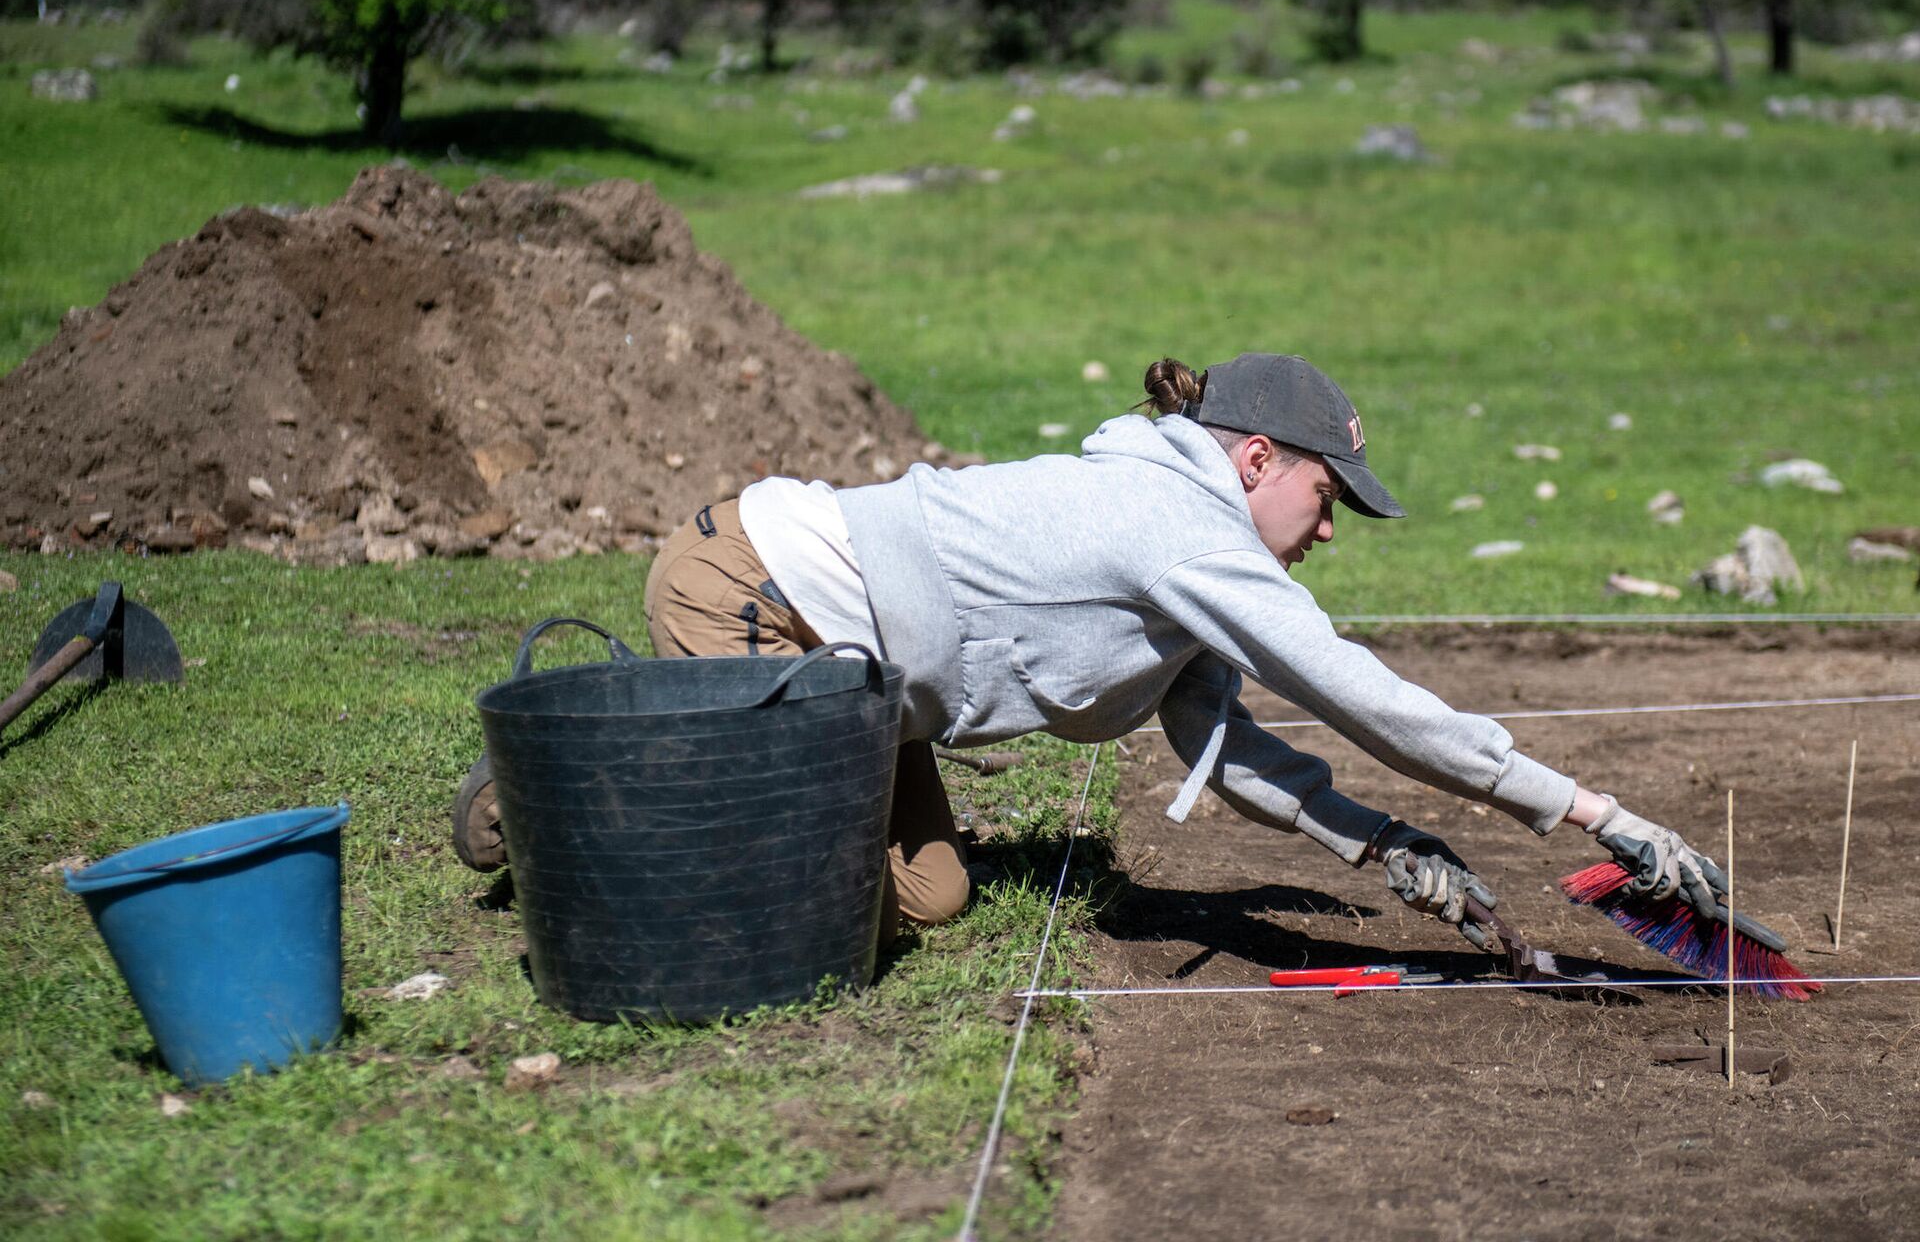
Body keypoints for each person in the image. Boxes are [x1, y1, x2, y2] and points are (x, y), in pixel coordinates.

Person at [455, 353, 1730, 949]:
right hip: (761, 592)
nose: (1331, 522)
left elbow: (1225, 749)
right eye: (1327, 494)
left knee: (928, 900)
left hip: (866, 688)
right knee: (757, 918)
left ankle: (639, 757)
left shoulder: (1193, 564)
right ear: (1256, 459)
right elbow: (1358, 691)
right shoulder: (1177, 529)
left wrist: (1386, 844)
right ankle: (579, 760)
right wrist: (1590, 809)